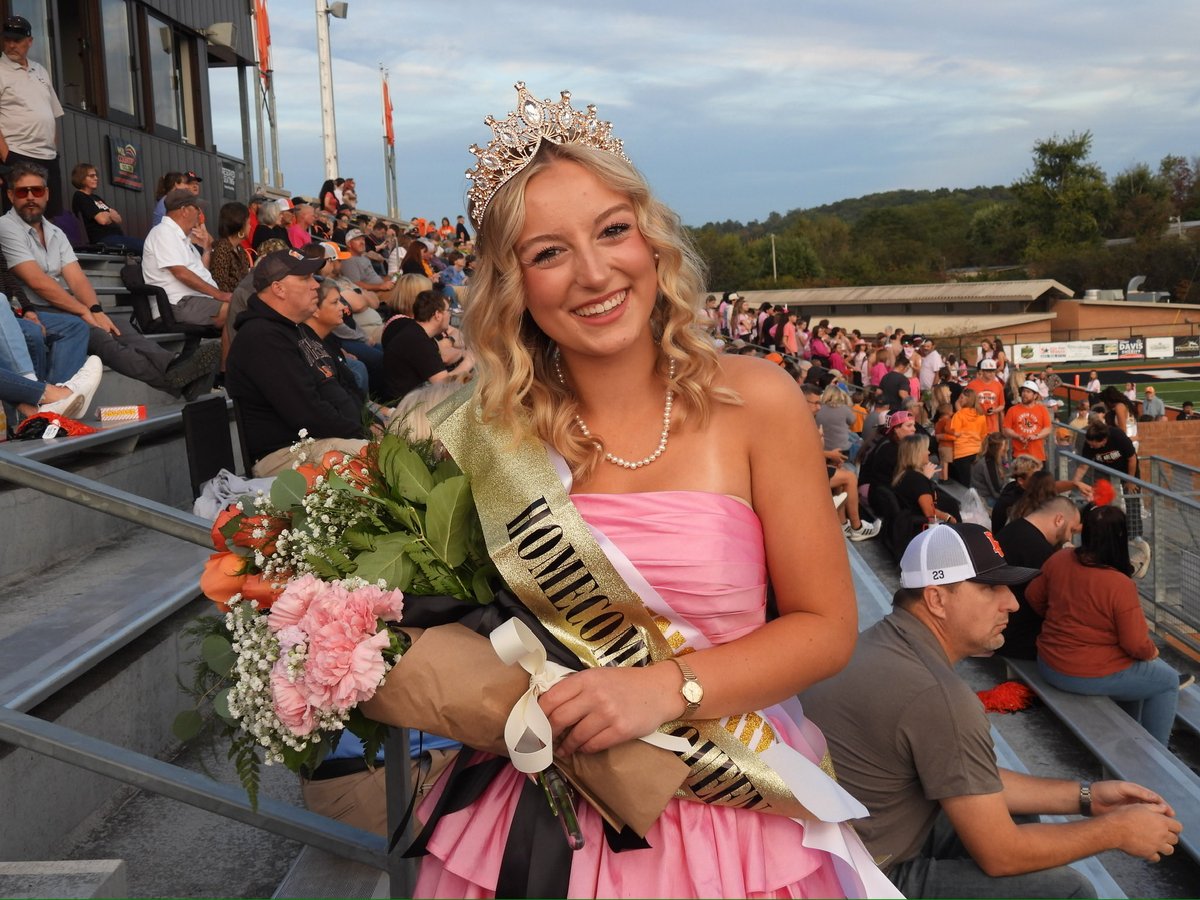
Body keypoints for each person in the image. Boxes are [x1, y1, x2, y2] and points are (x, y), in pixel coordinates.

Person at [411, 81, 893, 899]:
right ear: (513, 282)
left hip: (731, 808)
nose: (595, 273)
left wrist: (662, 687)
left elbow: (825, 630)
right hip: (541, 813)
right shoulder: (479, 437)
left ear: (651, 239)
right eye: (548, 252)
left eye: (612, 231)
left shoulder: (758, 399)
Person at [803, 522, 1183, 899]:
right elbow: (1001, 854)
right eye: (990, 587)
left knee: (1017, 819)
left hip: (838, 848)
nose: (1012, 602)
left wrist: (1088, 796)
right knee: (1068, 890)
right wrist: (1117, 830)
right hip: (857, 880)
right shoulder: (937, 695)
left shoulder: (882, 643)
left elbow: (967, 774)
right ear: (937, 599)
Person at [0, 162, 217, 399]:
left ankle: (175, 366)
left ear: (47, 194)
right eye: (23, 192)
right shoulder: (6, 227)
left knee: (119, 325)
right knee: (98, 335)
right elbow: (37, 281)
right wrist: (85, 312)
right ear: (11, 195)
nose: (31, 197)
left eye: (37, 191)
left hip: (61, 306)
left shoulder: (54, 232)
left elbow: (77, 278)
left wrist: (95, 309)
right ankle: (177, 380)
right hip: (28, 310)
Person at [1028, 505, 1186, 746]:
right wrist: (1151, 652)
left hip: (1049, 662)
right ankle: (1158, 755)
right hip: (1084, 673)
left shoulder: (1059, 558)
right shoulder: (1119, 583)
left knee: (1134, 672)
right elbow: (1135, 644)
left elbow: (1033, 596)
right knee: (1168, 681)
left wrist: (1060, 619)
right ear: (1120, 538)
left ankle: (1131, 738)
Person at [224, 249, 368, 476]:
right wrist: (364, 432)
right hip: (286, 454)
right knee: (390, 458)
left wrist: (374, 420)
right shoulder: (261, 337)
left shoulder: (298, 329)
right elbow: (307, 413)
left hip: (332, 437)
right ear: (278, 288)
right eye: (305, 278)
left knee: (432, 419)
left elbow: (347, 384)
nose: (315, 285)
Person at [996, 495, 1082, 660]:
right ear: (1059, 519)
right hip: (1017, 638)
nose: (1069, 538)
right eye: (1071, 530)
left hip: (1003, 629)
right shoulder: (1039, 550)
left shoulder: (1014, 528)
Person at [0, 16, 63, 217]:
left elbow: (52, 113)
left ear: (30, 41)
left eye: (17, 40)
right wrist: (6, 156)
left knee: (50, 217)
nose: (11, 45)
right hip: (18, 153)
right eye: (7, 39)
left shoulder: (41, 71)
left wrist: (54, 149)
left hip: (48, 157)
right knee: (21, 217)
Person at [141, 189, 230, 328]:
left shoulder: (183, 239)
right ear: (184, 210)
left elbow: (199, 271)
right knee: (239, 310)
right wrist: (220, 295)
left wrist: (206, 249)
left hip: (195, 301)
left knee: (247, 307)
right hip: (178, 304)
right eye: (196, 208)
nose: (200, 214)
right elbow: (180, 272)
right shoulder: (163, 232)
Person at [380, 290, 471, 402]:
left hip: (412, 400)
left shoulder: (416, 332)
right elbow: (444, 385)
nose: (450, 314)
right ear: (438, 315)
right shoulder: (418, 341)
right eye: (448, 311)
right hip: (406, 409)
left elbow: (442, 359)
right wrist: (469, 361)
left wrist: (466, 353)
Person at [69, 163, 143, 253]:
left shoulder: (97, 198)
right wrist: (109, 214)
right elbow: (103, 220)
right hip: (103, 239)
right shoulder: (80, 196)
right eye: (92, 176)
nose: (96, 178)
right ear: (81, 178)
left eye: (96, 176)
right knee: (144, 246)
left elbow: (118, 219)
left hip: (117, 237)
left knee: (147, 246)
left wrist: (107, 215)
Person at [892, 433, 957, 524]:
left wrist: (925, 478)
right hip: (922, 529)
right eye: (926, 449)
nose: (929, 452)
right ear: (917, 454)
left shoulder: (903, 474)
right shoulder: (917, 479)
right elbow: (930, 512)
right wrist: (949, 518)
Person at [1003, 380, 1053, 463]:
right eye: (1023, 391)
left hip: (1037, 455)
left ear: (1035, 395)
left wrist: (1036, 436)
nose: (1024, 394)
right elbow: (1006, 429)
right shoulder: (1012, 410)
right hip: (1019, 455)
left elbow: (1048, 428)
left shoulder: (1042, 410)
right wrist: (1017, 436)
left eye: (1028, 392)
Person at [949, 387, 988, 487]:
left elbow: (953, 434)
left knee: (963, 485)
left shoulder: (958, 415)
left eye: (961, 398)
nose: (960, 400)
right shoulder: (981, 416)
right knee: (976, 483)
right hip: (977, 451)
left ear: (967, 400)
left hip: (961, 452)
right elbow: (983, 435)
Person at [967, 358, 1005, 432]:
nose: (992, 373)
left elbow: (1002, 405)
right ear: (982, 371)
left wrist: (994, 410)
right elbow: (960, 402)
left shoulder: (998, 385)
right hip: (977, 427)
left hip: (993, 427)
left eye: (993, 371)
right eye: (988, 371)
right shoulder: (972, 385)